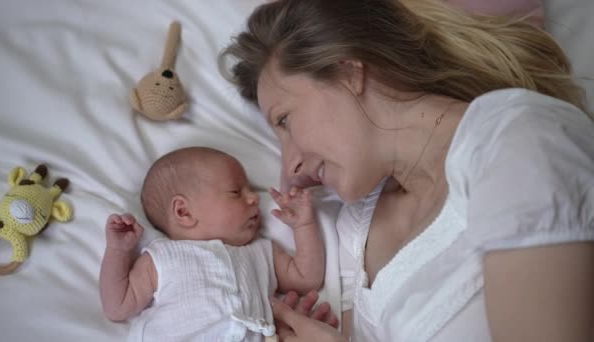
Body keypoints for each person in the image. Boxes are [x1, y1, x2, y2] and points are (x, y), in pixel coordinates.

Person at [219, 0, 594, 341]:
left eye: (284, 120)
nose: (290, 165)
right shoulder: (357, 229)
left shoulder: (515, 143)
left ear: (347, 72)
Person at [98, 147, 335, 341]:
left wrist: (304, 226)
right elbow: (117, 306)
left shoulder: (261, 251)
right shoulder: (163, 257)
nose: (254, 198)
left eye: (251, 190)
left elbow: (307, 278)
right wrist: (118, 251)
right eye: (235, 192)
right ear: (184, 212)